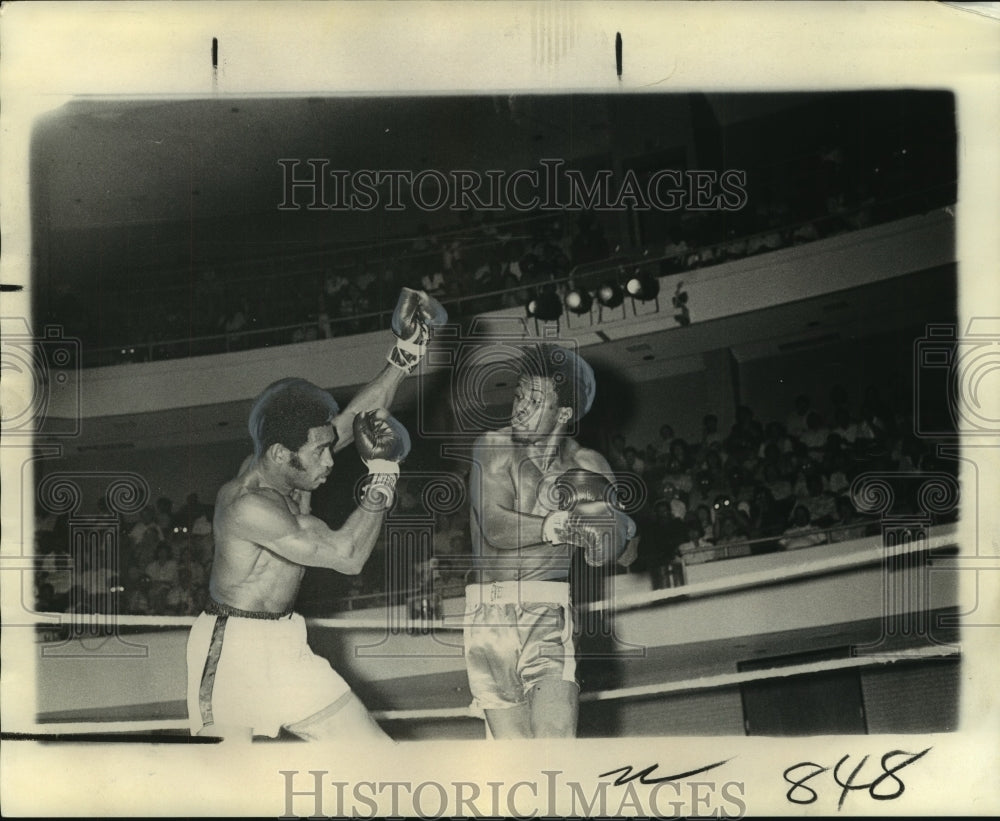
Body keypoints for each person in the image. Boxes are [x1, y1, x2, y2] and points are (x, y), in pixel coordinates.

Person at [185, 288, 446, 742]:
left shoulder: (288, 465)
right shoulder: (248, 505)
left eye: (328, 448)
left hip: (286, 644)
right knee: (231, 793)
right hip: (233, 654)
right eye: (320, 452)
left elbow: (353, 419)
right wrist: (383, 473)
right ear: (283, 454)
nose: (331, 460)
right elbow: (347, 557)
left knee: (381, 762)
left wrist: (407, 353)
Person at [465, 343, 636, 738]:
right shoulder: (492, 447)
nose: (520, 405)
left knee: (554, 750)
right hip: (488, 616)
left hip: (546, 610)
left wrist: (615, 531)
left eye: (535, 398)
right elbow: (494, 525)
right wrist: (557, 525)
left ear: (564, 413)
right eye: (520, 393)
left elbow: (629, 552)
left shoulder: (588, 467)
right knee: (519, 773)